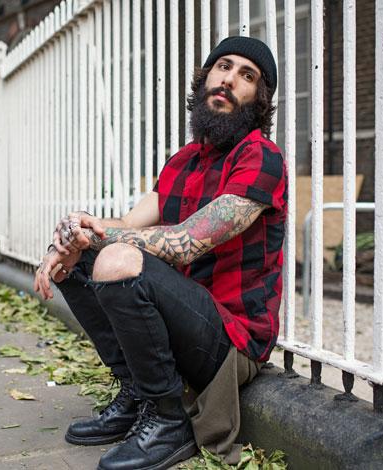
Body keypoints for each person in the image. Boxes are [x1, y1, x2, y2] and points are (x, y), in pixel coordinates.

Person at [34, 36, 287, 470]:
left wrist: (100, 242)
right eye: (223, 66)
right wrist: (77, 230)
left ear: (258, 100)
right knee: (76, 264)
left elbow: (190, 240)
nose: (229, 80)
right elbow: (129, 225)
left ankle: (169, 420)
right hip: (184, 318)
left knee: (114, 259)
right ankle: (136, 394)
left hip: (230, 337)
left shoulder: (261, 158)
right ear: (205, 77)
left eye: (247, 76)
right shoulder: (184, 161)